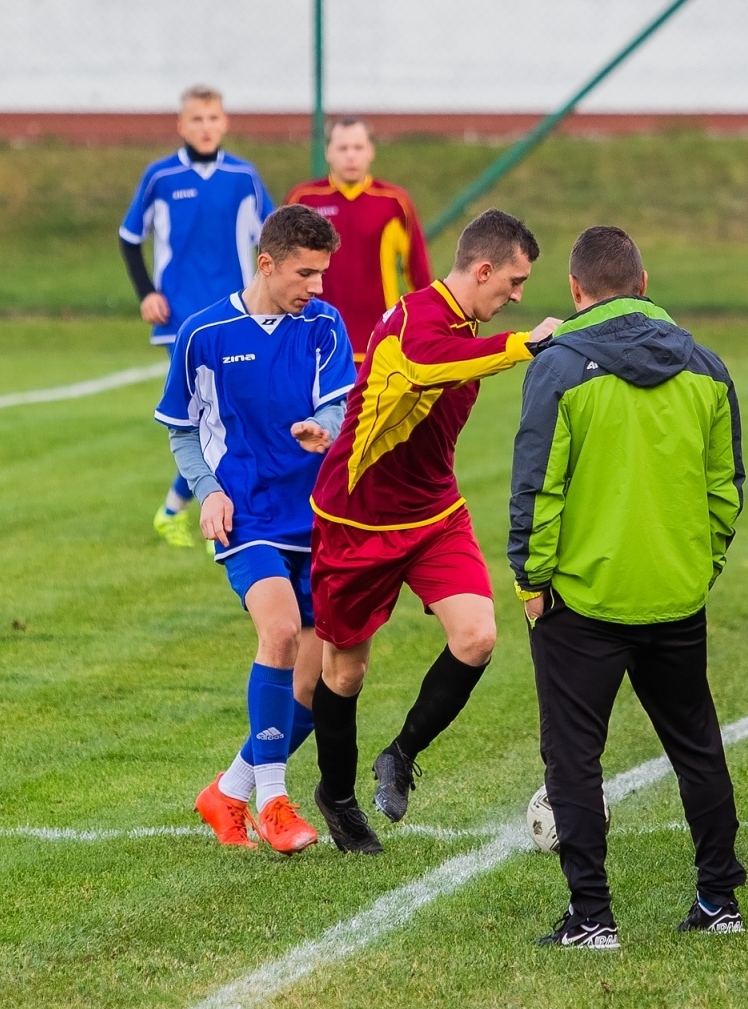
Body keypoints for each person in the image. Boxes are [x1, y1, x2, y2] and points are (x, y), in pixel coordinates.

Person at [508, 225, 747, 949]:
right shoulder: (707, 366)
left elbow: (536, 485)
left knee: (574, 757)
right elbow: (725, 490)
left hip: (583, 600)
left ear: (575, 293)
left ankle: (592, 916)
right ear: (644, 284)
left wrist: (531, 576)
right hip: (676, 594)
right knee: (697, 745)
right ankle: (718, 899)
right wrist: (699, 567)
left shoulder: (558, 366)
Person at [306, 209, 563, 854]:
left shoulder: (466, 324)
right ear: (483, 270)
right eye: (514, 280)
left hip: (434, 513)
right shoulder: (418, 321)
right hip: (356, 517)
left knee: (477, 638)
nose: (518, 296)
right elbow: (428, 367)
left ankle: (400, 755)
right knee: (345, 671)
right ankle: (336, 799)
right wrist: (523, 344)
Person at [157, 205, 356, 854]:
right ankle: (274, 802)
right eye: (306, 273)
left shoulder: (324, 324)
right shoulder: (203, 333)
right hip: (247, 515)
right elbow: (181, 428)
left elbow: (336, 397)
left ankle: (229, 789)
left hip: (317, 518)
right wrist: (207, 492)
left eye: (323, 273)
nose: (318, 287)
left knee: (312, 681)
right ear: (266, 263)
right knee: (276, 630)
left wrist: (322, 425)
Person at [120, 85, 275, 548]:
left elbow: (273, 242)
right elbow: (129, 238)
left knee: (231, 414)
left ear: (225, 123)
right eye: (197, 119)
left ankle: (180, 510)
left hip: (236, 316)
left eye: (213, 118)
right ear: (181, 126)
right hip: (181, 319)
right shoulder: (160, 177)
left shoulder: (244, 177)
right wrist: (146, 293)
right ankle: (204, 515)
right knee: (206, 415)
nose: (206, 127)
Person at [287, 117, 432, 362]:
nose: (351, 156)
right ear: (328, 152)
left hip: (380, 343)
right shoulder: (304, 199)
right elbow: (284, 269)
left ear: (371, 151)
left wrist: (427, 327)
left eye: (358, 147)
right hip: (314, 341)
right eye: (343, 148)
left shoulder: (394, 202)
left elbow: (417, 272)